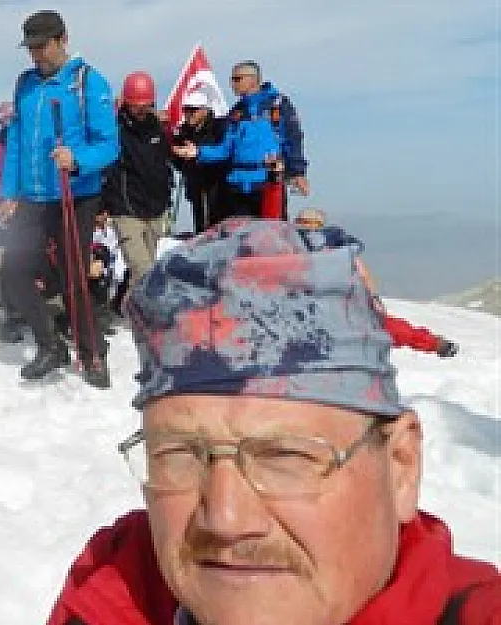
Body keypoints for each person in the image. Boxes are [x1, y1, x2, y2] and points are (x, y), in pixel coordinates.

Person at [45, 218, 500, 625]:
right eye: (180, 454)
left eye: (285, 456)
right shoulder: (106, 598)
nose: (225, 519)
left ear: (401, 467)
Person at [0, 10, 119, 388]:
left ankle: (90, 349)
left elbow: (109, 146)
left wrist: (78, 159)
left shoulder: (88, 82)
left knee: (73, 275)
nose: (36, 55)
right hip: (32, 196)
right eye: (31, 48)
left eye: (42, 46)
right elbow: (15, 141)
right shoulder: (25, 84)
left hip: (75, 194)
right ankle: (51, 345)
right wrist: (9, 193)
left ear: (62, 39)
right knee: (14, 271)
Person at [293, 208, 458, 358]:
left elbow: (363, 276)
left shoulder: (342, 252)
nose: (310, 228)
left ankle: (436, 344)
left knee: (386, 327)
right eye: (305, 224)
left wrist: (372, 298)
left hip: (339, 308)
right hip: (300, 310)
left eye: (314, 224)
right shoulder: (286, 249)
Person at [174, 60, 309, 220]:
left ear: (253, 79)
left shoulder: (278, 105)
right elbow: (225, 149)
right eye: (232, 79)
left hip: (267, 183)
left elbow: (293, 139)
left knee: (269, 237)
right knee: (239, 240)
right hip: (236, 187)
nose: (232, 84)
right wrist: (198, 152)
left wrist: (297, 172)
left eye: (237, 79)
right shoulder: (236, 113)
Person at [101, 70, 174, 288]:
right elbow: (106, 169)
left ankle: (125, 307)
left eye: (146, 105)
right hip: (126, 210)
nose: (142, 111)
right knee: (143, 269)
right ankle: (143, 318)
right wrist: (103, 206)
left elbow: (166, 162)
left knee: (148, 267)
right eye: (137, 105)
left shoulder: (158, 128)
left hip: (154, 209)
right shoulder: (115, 130)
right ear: (127, 103)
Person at [171, 90, 228, 233]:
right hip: (195, 186)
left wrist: (198, 153)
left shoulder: (219, 128)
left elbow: (224, 153)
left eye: (193, 110)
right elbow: (177, 160)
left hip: (216, 187)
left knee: (218, 228)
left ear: (204, 110)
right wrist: (180, 157)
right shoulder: (183, 132)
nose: (189, 113)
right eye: (186, 110)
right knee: (201, 227)